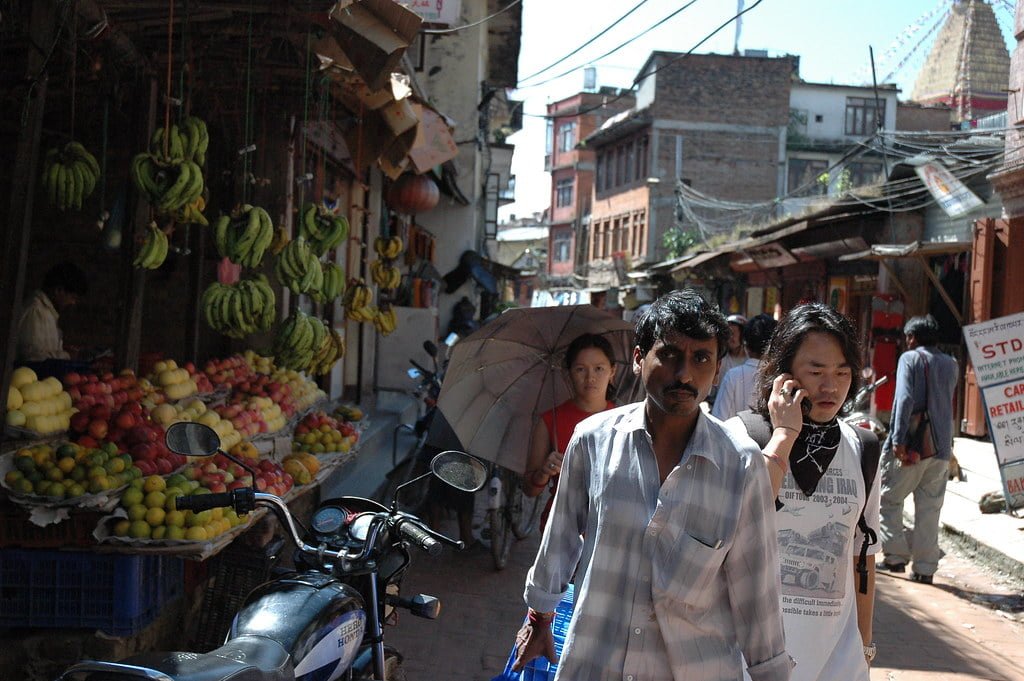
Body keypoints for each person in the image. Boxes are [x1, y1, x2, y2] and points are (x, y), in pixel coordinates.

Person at [512, 288, 792, 681]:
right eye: (671, 355)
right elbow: (560, 537)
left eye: (701, 359)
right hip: (596, 663)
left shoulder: (740, 464)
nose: (684, 375)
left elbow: (756, 588)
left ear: (716, 369)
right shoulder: (593, 440)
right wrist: (538, 617)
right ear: (639, 358)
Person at [729, 303, 880, 681]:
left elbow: (864, 553)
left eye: (842, 372)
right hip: (748, 658)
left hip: (835, 662)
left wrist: (864, 645)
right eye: (816, 371)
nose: (831, 386)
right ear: (784, 374)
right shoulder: (744, 436)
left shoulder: (863, 448)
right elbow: (741, 522)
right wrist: (784, 435)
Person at [877, 315, 958, 585]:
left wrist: (897, 439)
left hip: (912, 445)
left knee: (889, 499)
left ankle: (895, 558)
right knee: (930, 508)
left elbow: (904, 398)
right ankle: (925, 568)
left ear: (912, 337)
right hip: (941, 446)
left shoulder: (909, 359)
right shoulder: (951, 364)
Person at [522, 333, 617, 532]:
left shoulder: (624, 420)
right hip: (561, 526)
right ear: (568, 374)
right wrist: (543, 473)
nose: (590, 378)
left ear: (612, 372)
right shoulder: (550, 420)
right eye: (580, 369)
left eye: (599, 369)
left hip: (609, 527)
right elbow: (530, 489)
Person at [16, 262, 88, 363]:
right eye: (72, 297)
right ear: (58, 290)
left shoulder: (48, 312)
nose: (73, 303)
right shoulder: (36, 311)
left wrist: (61, 351)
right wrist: (66, 355)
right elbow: (32, 357)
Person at [712, 313, 776, 421]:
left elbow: (719, 422)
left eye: (734, 333)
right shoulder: (784, 377)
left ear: (745, 343)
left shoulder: (733, 376)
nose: (731, 338)